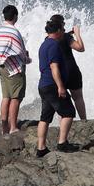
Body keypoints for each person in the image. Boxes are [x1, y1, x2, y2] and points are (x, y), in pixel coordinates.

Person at [36, 19, 79, 157]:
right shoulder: (54, 46)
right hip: (52, 85)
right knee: (69, 112)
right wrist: (60, 87)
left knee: (45, 117)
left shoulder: (44, 44)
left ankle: (41, 148)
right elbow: (54, 67)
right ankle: (62, 143)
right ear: (59, 31)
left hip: (43, 85)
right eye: (63, 29)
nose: (64, 32)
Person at [0, 5, 31, 134]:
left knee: (6, 97)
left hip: (1, 66)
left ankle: (4, 128)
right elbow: (19, 51)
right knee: (16, 97)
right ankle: (13, 127)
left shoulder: (1, 30)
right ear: (15, 16)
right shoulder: (14, 31)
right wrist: (26, 58)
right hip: (13, 68)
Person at [49, 14, 87, 120]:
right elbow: (80, 48)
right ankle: (84, 120)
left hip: (59, 73)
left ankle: (64, 125)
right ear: (61, 25)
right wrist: (77, 34)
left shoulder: (48, 39)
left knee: (63, 101)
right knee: (78, 98)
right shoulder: (66, 37)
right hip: (72, 71)